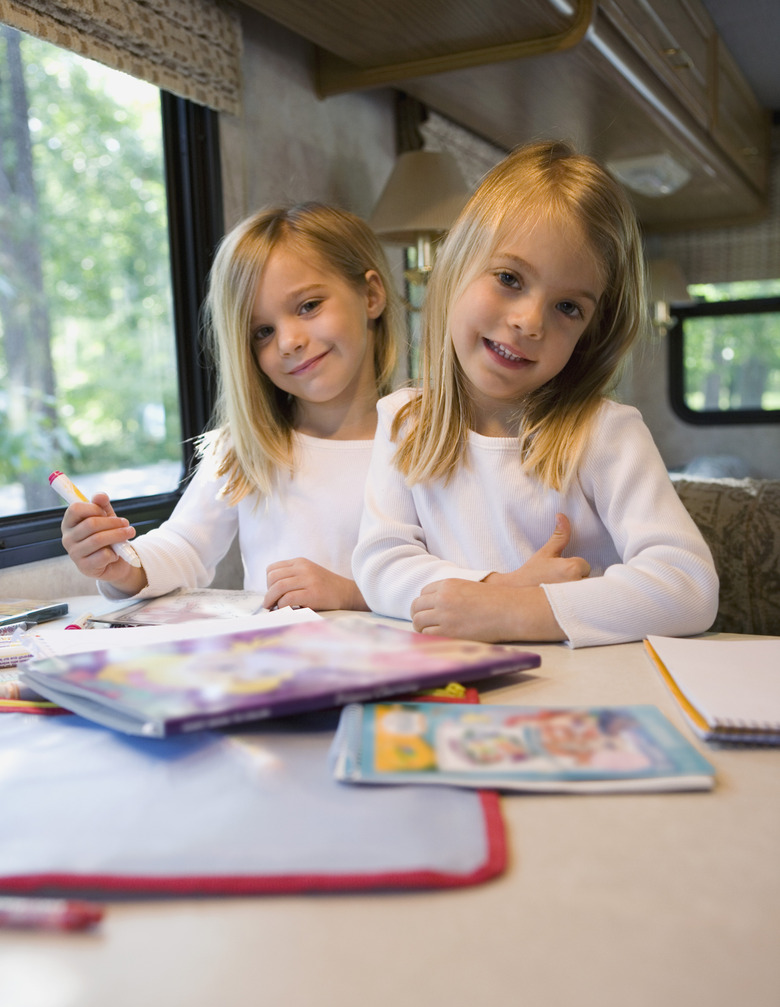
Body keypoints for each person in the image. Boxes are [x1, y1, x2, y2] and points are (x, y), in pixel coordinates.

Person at [352, 141, 719, 647]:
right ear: (456, 266)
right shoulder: (402, 420)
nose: (528, 321)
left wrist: (526, 611)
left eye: (568, 307)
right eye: (509, 278)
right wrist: (497, 592)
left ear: (591, 333)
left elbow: (689, 586)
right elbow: (381, 563)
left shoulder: (605, 433)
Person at [60, 202, 403, 611]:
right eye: (262, 331)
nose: (288, 341)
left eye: (308, 306)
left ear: (372, 295)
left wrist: (353, 595)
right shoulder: (245, 447)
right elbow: (185, 545)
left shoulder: (428, 437)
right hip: (277, 669)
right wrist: (120, 565)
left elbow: (452, 579)